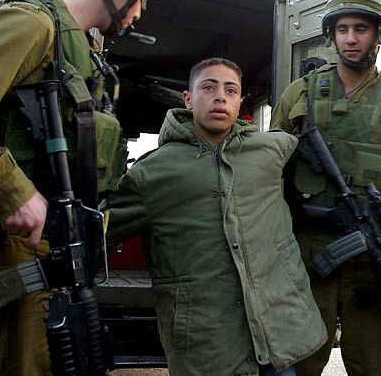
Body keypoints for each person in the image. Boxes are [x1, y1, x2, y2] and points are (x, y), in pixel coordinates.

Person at [0, 0, 162, 375]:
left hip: (41, 256)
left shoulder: (79, 50)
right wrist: (13, 193)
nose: (140, 13)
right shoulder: (31, 24)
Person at [106, 57, 327, 376]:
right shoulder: (150, 173)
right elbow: (99, 230)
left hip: (275, 342)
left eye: (230, 90)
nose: (220, 97)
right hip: (207, 346)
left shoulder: (272, 150)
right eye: (209, 88)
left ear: (240, 102)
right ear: (187, 98)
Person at [270, 0, 381, 376]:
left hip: (369, 256)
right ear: (331, 34)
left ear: (379, 35)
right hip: (308, 252)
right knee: (298, 363)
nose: (351, 39)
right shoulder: (300, 94)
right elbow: (271, 166)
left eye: (361, 29)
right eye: (342, 29)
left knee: (377, 365)